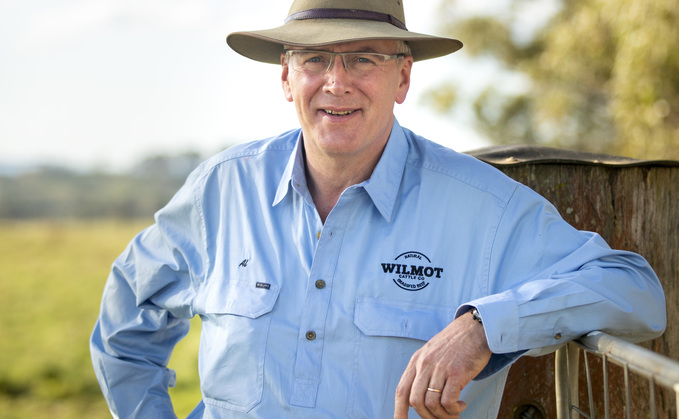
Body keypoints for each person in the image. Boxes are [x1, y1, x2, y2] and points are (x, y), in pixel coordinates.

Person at [90, 0, 667, 418]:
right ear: (286, 78)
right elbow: (125, 324)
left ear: (403, 78)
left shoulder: (484, 206)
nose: (337, 83)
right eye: (316, 59)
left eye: (363, 59)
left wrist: (485, 327)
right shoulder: (222, 190)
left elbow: (635, 291)